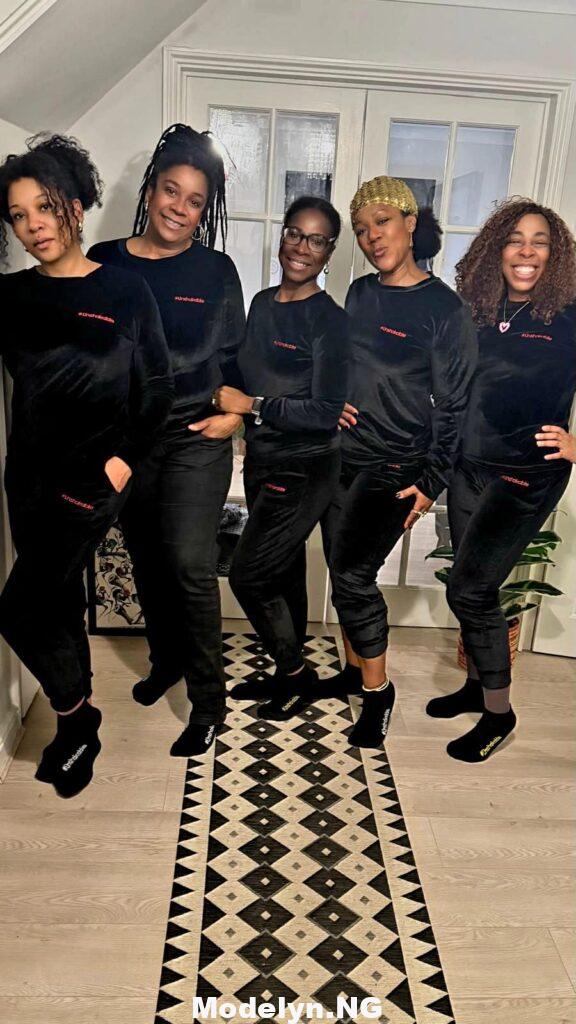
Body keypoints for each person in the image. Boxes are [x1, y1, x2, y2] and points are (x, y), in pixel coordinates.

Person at [0, 133, 173, 797]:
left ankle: (77, 717)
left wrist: (123, 462)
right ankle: (78, 722)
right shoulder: (10, 297)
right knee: (58, 601)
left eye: (44, 207)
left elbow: (157, 392)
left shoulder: (125, 291)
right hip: (27, 477)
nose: (34, 225)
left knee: (18, 611)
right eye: (18, 215)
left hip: (90, 480)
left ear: (74, 206)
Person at [88, 124, 245, 756]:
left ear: (205, 212)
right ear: (151, 190)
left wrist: (235, 419)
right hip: (130, 441)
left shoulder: (216, 270)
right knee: (146, 560)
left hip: (194, 437)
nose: (180, 207)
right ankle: (166, 661)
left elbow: (235, 360)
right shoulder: (105, 261)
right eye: (171, 191)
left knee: (188, 564)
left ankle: (208, 704)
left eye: (195, 200)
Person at [322, 175, 478, 748]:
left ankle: (377, 693)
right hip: (344, 455)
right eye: (362, 229)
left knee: (354, 576)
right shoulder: (361, 293)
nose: (372, 237)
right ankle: (352, 669)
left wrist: (431, 483)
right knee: (340, 569)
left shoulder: (446, 310)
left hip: (396, 464)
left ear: (410, 224)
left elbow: (455, 406)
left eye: (382, 223)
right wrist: (331, 401)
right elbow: (346, 363)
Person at [427, 199, 576, 761]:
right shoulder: (478, 311)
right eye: (515, 239)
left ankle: (499, 713)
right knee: (469, 586)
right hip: (469, 467)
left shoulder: (569, 315)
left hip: (526, 475)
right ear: (497, 249)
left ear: (555, 254)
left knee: (471, 588)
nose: (527, 251)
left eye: (540, 241)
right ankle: (474, 686)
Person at [213, 196, 348, 720]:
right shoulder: (263, 302)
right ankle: (286, 672)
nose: (301, 247)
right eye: (295, 233)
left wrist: (251, 406)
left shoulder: (329, 320)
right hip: (264, 457)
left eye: (316, 240)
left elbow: (325, 410)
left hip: (306, 463)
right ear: (282, 236)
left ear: (329, 252)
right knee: (285, 568)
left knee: (249, 575)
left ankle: (295, 675)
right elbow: (249, 371)